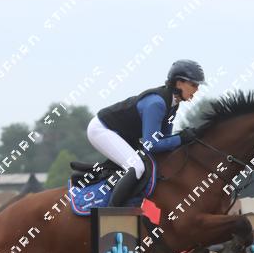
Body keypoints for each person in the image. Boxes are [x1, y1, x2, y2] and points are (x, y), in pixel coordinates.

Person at [87, 59, 205, 206]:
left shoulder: (173, 104)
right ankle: (112, 213)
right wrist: (181, 138)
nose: (197, 89)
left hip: (122, 134)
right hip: (102, 129)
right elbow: (151, 145)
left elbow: (164, 138)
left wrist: (187, 138)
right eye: (194, 85)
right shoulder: (157, 103)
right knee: (136, 167)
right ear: (179, 82)